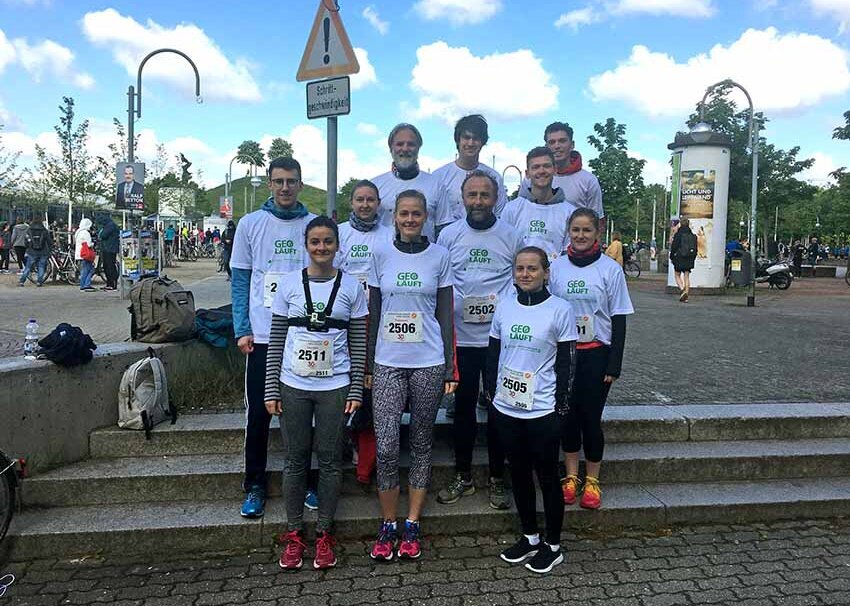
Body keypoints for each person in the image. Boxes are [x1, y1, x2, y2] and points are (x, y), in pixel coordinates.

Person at [264, 216, 368, 571]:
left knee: (328, 460)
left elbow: (358, 341)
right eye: (314, 242)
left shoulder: (352, 287)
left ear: (338, 245)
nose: (321, 248)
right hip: (293, 384)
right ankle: (294, 533)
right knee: (295, 460)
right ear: (305, 245)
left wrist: (356, 386)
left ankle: (324, 533)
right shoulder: (290, 285)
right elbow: (276, 339)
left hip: (335, 386)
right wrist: (270, 387)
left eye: (327, 242)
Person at [366, 189, 457, 561]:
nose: (409, 219)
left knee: (421, 442)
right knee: (387, 446)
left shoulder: (440, 255)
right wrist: (369, 365)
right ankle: (388, 523)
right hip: (388, 360)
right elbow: (372, 311)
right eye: (403, 213)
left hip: (428, 360)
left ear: (425, 217)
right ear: (395, 217)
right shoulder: (380, 254)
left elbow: (446, 312)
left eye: (416, 214)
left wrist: (452, 365)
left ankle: (413, 523)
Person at [230, 156, 317, 519]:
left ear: (300, 184)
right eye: (278, 181)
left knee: (306, 413)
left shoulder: (314, 224)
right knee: (259, 416)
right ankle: (254, 484)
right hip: (264, 335)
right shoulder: (251, 224)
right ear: (269, 183)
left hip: (305, 335)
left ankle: (309, 481)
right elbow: (239, 278)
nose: (285, 187)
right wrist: (242, 328)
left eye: (291, 181)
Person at [485, 246, 577, 574]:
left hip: (542, 411)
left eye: (532, 269)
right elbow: (493, 354)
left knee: (548, 477)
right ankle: (530, 536)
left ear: (546, 273)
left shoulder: (560, 309)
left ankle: (553, 545)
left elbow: (567, 362)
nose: (525, 274)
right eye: (520, 268)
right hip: (508, 409)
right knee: (519, 474)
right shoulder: (505, 307)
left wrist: (561, 408)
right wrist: (492, 397)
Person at [435, 170, 521, 510]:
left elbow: (521, 279)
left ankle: (499, 479)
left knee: (500, 409)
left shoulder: (511, 236)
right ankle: (463, 476)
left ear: (496, 196)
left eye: (485, 195)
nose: (478, 201)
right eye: (472, 195)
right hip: (460, 339)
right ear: (462, 197)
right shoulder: (448, 235)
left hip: (498, 340)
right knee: (464, 410)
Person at [550, 208, 634, 511]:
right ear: (569, 232)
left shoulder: (609, 270)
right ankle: (571, 477)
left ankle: (593, 479)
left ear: (597, 233)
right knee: (567, 417)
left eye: (587, 231)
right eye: (576, 230)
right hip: (564, 355)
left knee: (590, 419)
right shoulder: (556, 268)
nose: (581, 236)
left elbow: (620, 318)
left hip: (597, 354)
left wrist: (615, 363)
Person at [334, 180, 392, 484]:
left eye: (371, 199)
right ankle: (343, 438)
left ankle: (366, 453)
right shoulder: (341, 232)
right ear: (351, 203)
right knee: (346, 381)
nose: (365, 205)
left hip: (379, 321)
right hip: (344, 319)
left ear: (379, 203)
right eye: (360, 199)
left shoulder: (389, 234)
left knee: (370, 387)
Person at [371, 123, 452, 242]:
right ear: (390, 148)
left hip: (426, 258)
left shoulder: (436, 184)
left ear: (419, 147)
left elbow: (444, 230)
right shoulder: (375, 186)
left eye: (411, 144)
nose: (405, 149)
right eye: (399, 144)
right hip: (385, 258)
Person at [519, 122, 604, 228]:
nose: (557, 146)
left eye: (562, 141)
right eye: (552, 142)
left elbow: (596, 223)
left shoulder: (588, 181)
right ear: (546, 146)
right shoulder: (531, 180)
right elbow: (519, 212)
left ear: (572, 144)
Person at [502, 147, 578, 261]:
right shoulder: (511, 209)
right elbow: (504, 250)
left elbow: (569, 255)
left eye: (546, 166)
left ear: (554, 169)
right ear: (527, 173)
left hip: (555, 277)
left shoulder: (570, 213)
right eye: (536, 167)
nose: (541, 171)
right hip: (519, 278)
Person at [432, 114, 509, 221]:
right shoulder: (438, 177)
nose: (471, 143)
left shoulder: (494, 177)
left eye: (476, 138)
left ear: (483, 142)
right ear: (458, 140)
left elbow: (502, 215)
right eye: (466, 137)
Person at [18, 217, 52, 287]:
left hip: (32, 251)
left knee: (28, 267)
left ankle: (22, 281)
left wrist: (28, 247)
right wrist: (49, 250)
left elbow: (26, 241)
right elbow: (49, 241)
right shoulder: (44, 230)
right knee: (41, 267)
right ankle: (39, 282)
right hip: (43, 251)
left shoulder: (29, 230)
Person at [670, 217, 697, 302]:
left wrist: (672, 256)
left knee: (677, 275)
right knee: (686, 276)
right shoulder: (692, 235)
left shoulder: (678, 234)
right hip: (689, 257)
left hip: (679, 257)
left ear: (681, 224)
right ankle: (686, 295)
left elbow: (674, 246)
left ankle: (682, 290)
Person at [99, 215, 120, 291]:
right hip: (110, 248)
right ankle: (110, 283)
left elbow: (103, 235)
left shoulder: (110, 226)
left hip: (109, 249)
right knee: (108, 266)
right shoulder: (111, 225)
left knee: (109, 266)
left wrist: (100, 233)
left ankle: (112, 284)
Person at [75, 218, 96, 292]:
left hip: (79, 253)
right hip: (86, 254)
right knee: (89, 270)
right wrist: (93, 243)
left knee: (84, 270)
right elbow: (89, 244)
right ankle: (85, 285)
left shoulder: (78, 231)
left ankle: (85, 285)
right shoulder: (85, 233)